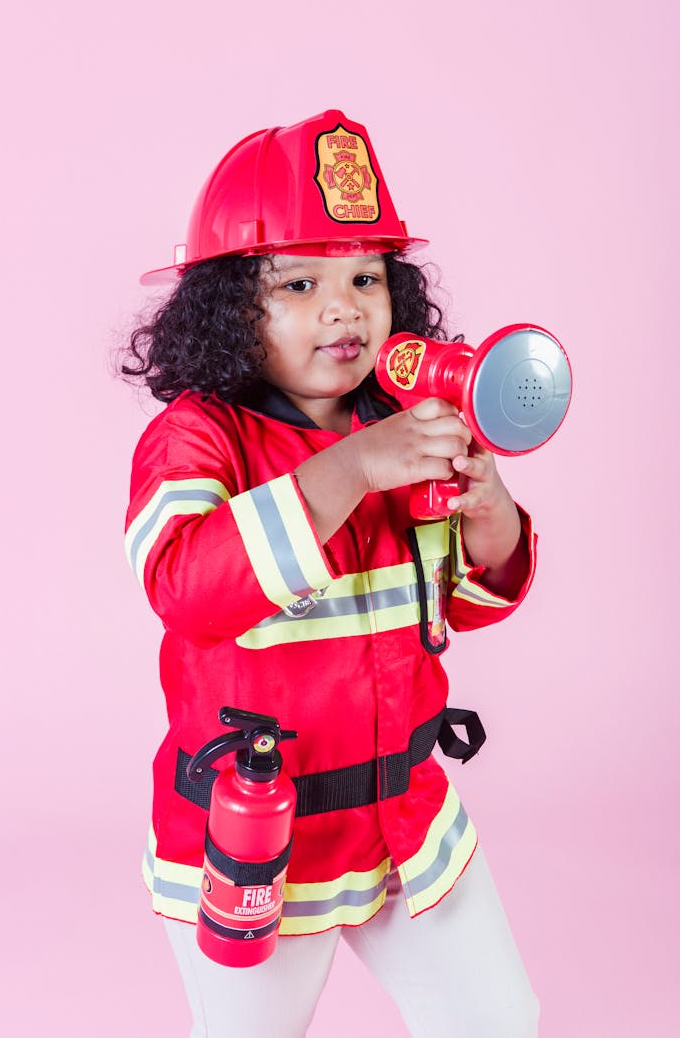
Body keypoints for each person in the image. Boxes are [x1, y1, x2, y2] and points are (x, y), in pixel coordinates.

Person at [123, 110, 540, 1037]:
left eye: (365, 278)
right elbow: (188, 589)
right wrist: (351, 470)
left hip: (404, 816)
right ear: (231, 310)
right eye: (299, 284)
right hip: (257, 837)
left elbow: (460, 605)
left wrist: (487, 510)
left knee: (500, 1019)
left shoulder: (399, 418)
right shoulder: (197, 436)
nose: (344, 307)